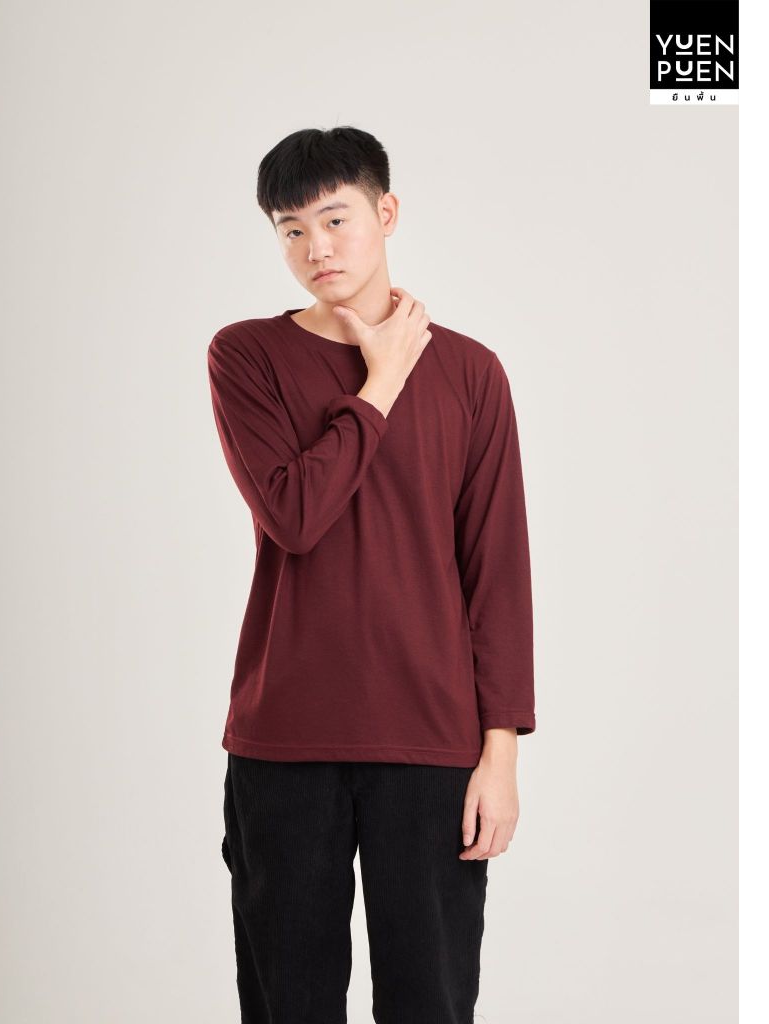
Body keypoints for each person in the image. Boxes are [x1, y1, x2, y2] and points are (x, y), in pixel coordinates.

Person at [206, 125, 536, 1024]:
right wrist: (380, 382)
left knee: (431, 1003)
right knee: (288, 1003)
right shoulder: (246, 356)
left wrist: (500, 756)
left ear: (386, 213)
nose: (315, 248)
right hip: (285, 739)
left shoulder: (472, 373)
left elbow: (497, 571)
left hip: (432, 744)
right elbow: (295, 515)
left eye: (335, 219)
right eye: (290, 229)